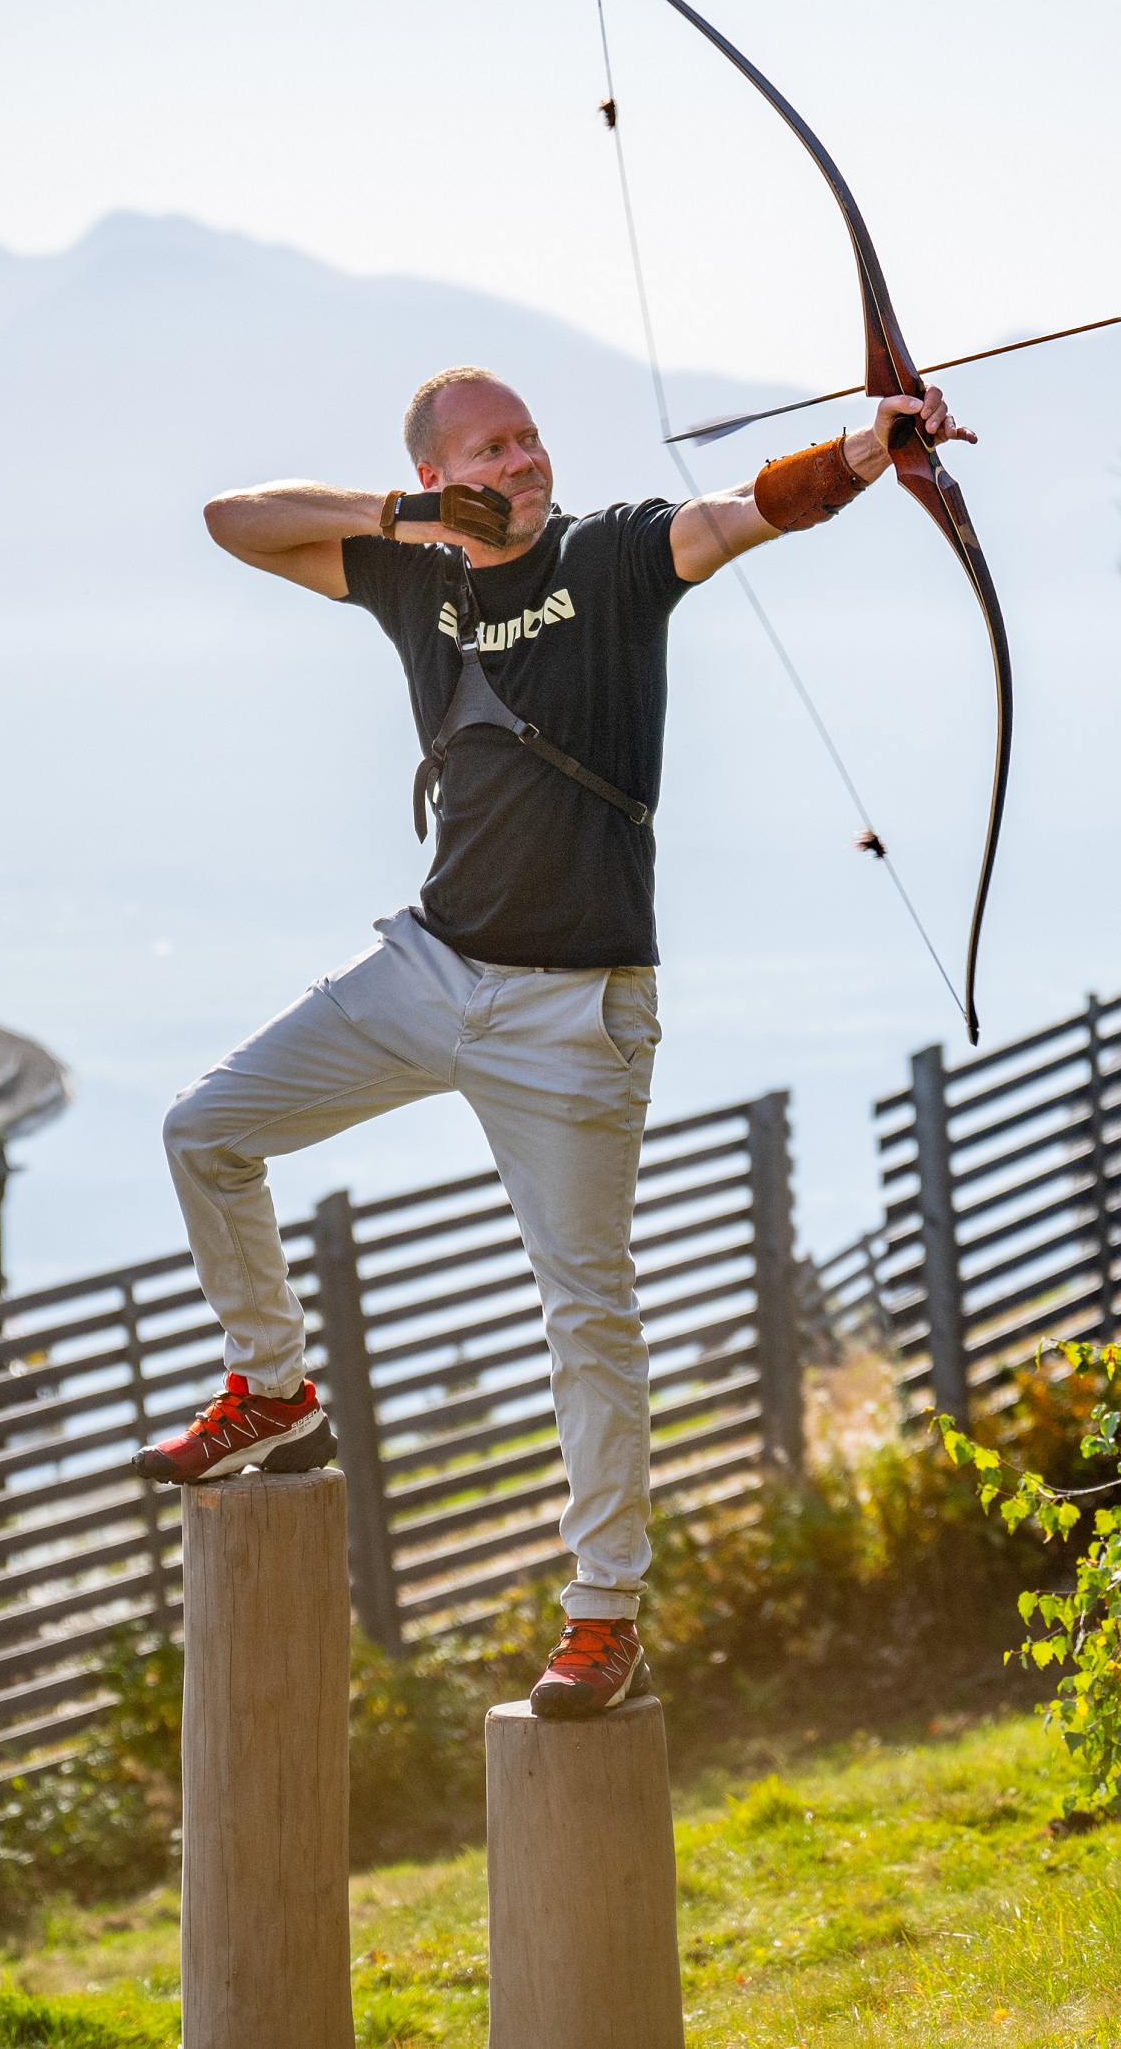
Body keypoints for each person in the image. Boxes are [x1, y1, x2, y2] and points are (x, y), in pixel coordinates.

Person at [136, 361, 967, 1719]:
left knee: (588, 1308)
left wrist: (870, 450)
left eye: (526, 438)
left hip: (575, 1010)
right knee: (204, 1128)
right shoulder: (411, 571)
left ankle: (602, 1615)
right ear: (437, 474)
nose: (521, 459)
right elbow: (234, 518)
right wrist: (416, 520)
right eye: (490, 448)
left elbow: (748, 508)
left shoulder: (615, 552)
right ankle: (275, 1389)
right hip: (431, 965)